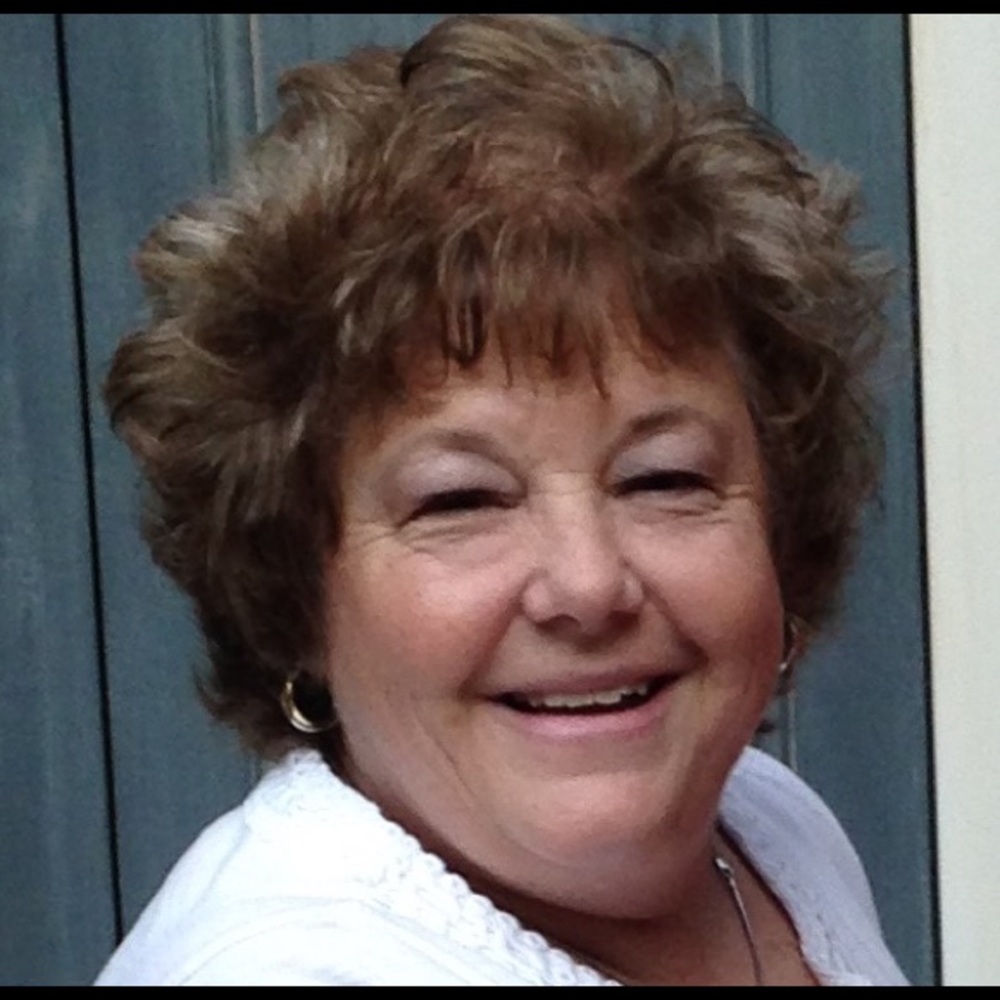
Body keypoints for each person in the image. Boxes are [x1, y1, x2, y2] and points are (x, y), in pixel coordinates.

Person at [95, 14, 906, 986]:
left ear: (780, 526)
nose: (588, 583)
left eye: (664, 478)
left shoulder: (767, 824)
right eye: (461, 500)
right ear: (292, 590)